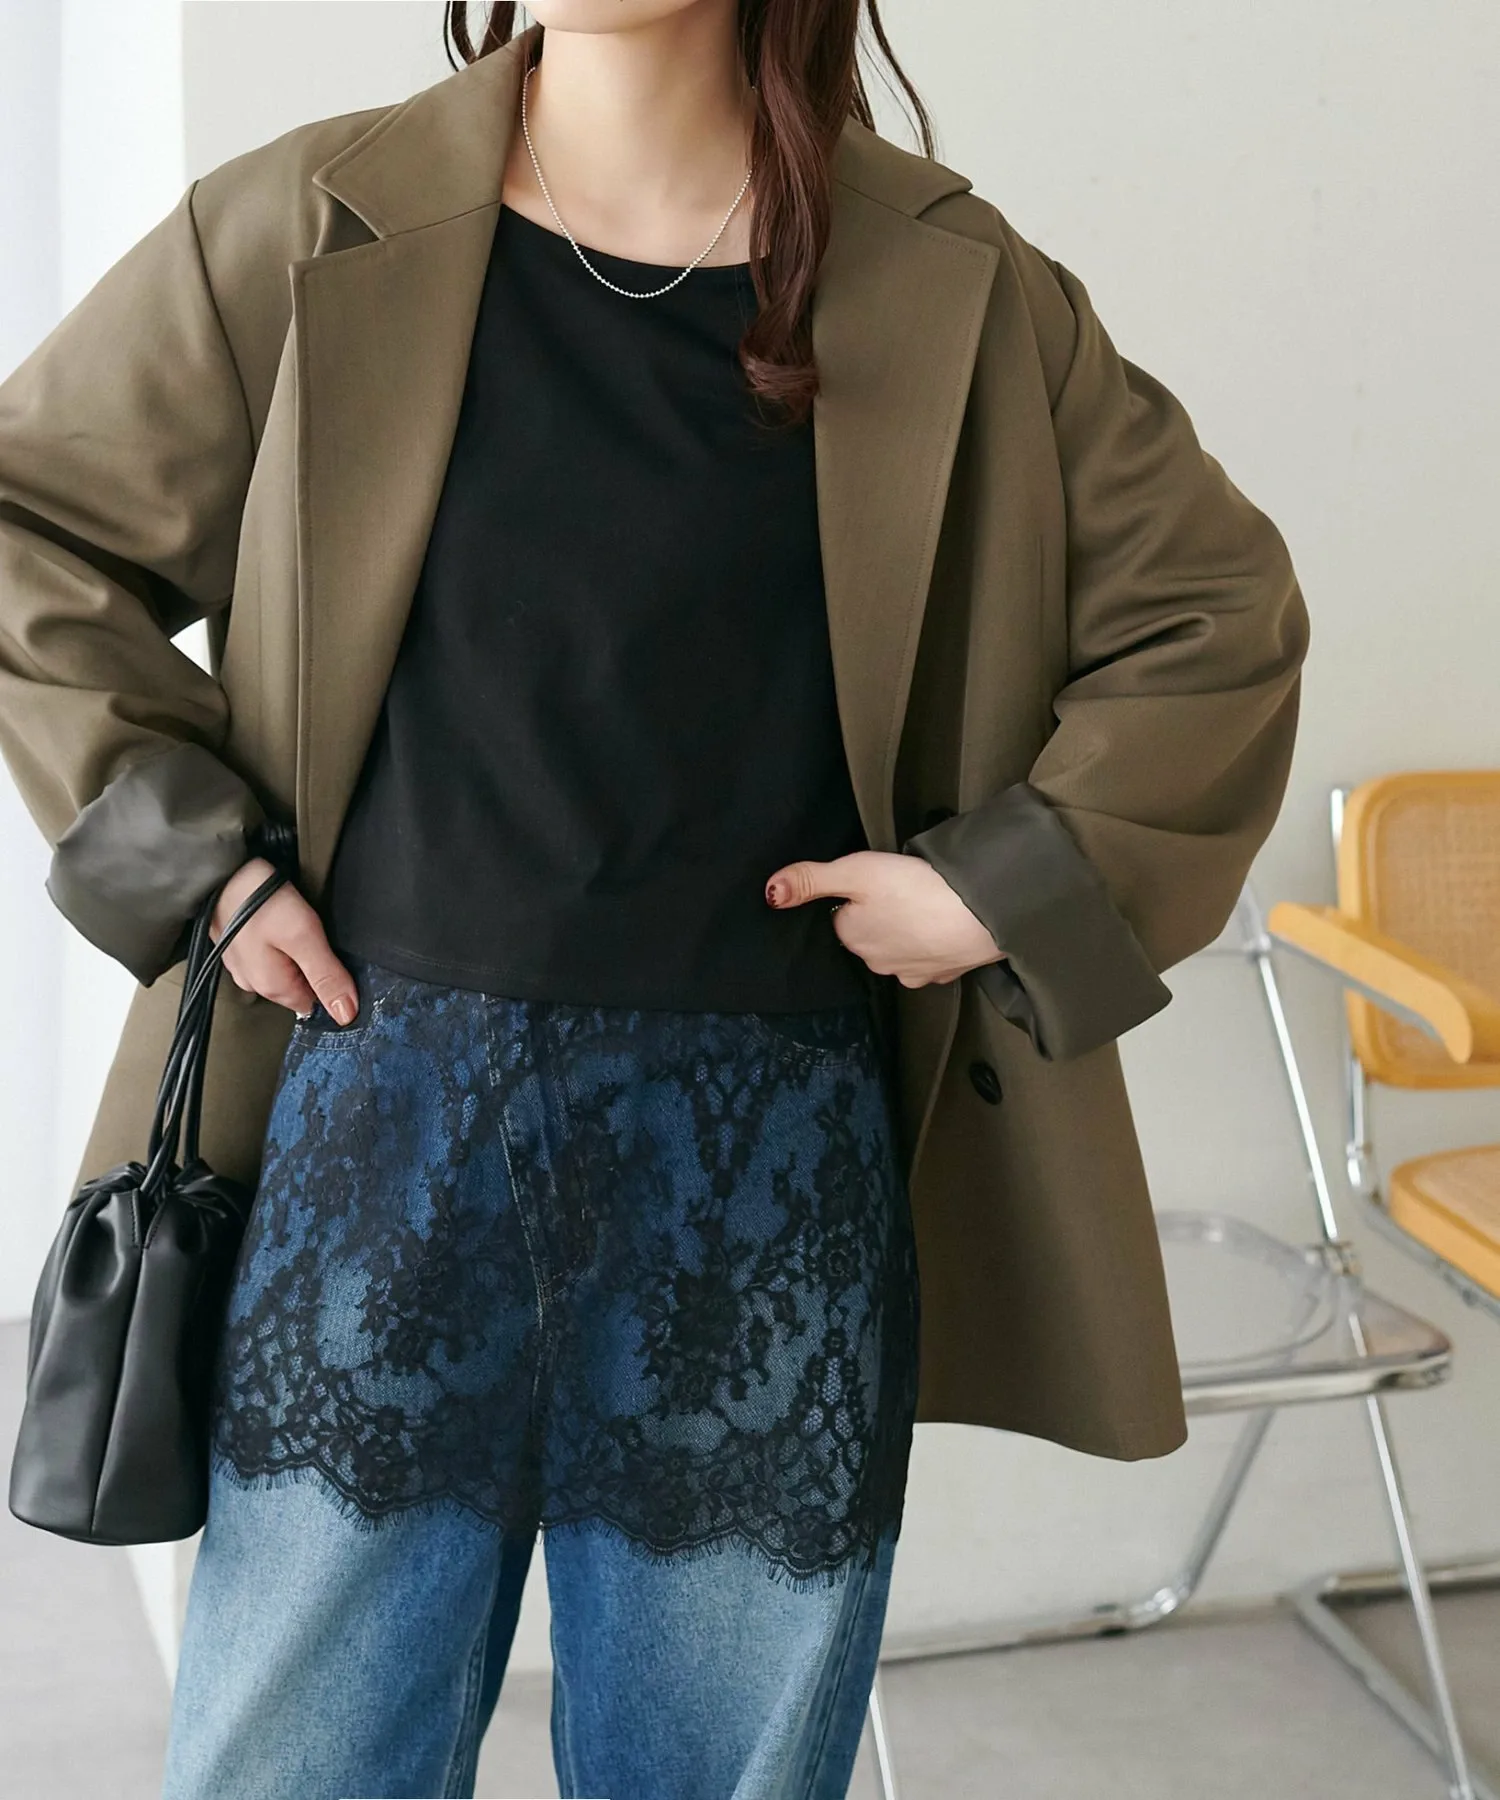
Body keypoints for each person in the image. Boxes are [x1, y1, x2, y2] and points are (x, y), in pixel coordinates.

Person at [0, 3, 1310, 1797]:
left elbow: (1216, 618)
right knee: (286, 1771)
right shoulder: (304, 226)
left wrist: (998, 890)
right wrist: (198, 869)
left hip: (765, 1181)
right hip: (379, 1137)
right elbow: (30, 523)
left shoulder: (954, 282)